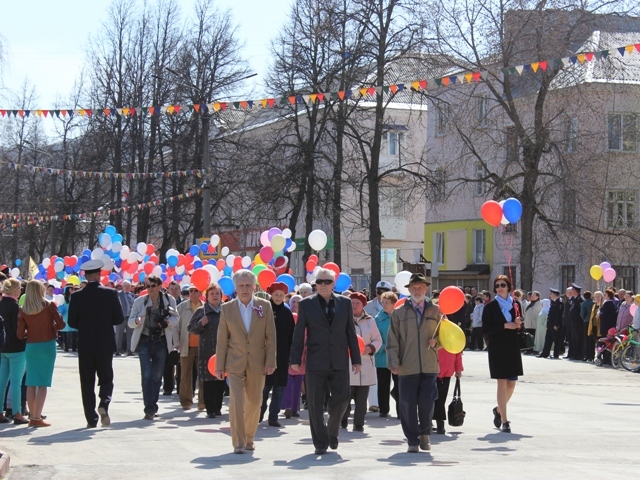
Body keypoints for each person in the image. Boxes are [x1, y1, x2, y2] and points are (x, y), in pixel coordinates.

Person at [290, 268, 361, 455]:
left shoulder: (345, 303)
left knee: (342, 399)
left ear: (333, 284)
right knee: (314, 403)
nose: (323, 285)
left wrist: (356, 358)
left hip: (339, 359)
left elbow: (350, 333)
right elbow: (299, 333)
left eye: (327, 282)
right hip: (316, 360)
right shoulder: (306, 304)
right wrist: (295, 359)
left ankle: (332, 431)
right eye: (319, 282)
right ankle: (320, 443)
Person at [215, 270, 276, 454]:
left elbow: (271, 336)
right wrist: (219, 365)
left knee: (255, 401)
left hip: (257, 362)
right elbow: (222, 339)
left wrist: (271, 361)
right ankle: (238, 442)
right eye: (241, 285)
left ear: (254, 287)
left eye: (248, 285)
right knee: (236, 401)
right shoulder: (227, 308)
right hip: (234, 362)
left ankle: (250, 437)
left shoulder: (264, 306)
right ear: (235, 288)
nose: (244, 289)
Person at [387, 273, 442, 453]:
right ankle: (412, 439)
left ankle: (425, 434)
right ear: (408, 290)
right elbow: (392, 340)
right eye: (414, 287)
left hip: (429, 365)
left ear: (425, 289)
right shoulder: (399, 312)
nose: (417, 290)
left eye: (421, 287)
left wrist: (438, 344)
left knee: (427, 402)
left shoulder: (436, 311)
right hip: (406, 366)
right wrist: (393, 362)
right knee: (407, 404)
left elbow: (446, 336)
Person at [67, 259, 125, 427]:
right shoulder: (110, 293)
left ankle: (91, 418)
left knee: (87, 381)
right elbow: (119, 318)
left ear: (86, 275)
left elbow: (72, 321)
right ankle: (104, 403)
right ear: (99, 275)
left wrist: (85, 325)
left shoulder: (77, 296)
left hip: (86, 343)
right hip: (105, 342)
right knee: (106, 377)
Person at [128, 275, 179, 420]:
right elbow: (130, 322)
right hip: (144, 341)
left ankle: (153, 405)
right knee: (146, 375)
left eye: (152, 286)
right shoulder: (140, 301)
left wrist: (167, 322)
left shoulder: (169, 300)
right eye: (148, 286)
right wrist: (137, 321)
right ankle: (148, 408)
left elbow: (176, 319)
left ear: (159, 286)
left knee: (157, 376)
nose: (149, 289)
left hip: (161, 341)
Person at [17, 280, 66, 427]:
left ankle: (32, 417)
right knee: (43, 383)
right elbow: (61, 324)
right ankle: (37, 418)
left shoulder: (23, 309)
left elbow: (19, 334)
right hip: (47, 344)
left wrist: (29, 333)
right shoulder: (49, 305)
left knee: (31, 382)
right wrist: (52, 328)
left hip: (31, 345)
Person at [482, 274, 523, 433]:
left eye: (502, 285)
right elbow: (486, 329)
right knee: (502, 382)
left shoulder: (515, 304)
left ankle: (499, 410)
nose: (499, 288)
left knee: (512, 383)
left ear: (508, 287)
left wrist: (518, 324)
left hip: (512, 346)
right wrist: (505, 326)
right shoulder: (490, 307)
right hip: (497, 347)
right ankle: (505, 421)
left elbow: (520, 326)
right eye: (497, 285)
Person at [340, 291, 382, 432]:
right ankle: (343, 420)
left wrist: (370, 348)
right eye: (352, 303)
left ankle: (359, 424)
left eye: (357, 303)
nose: (354, 305)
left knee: (362, 399)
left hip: (365, 363)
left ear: (363, 305)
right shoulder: (343, 319)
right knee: (345, 396)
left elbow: (378, 339)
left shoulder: (370, 320)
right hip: (348, 363)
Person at [260, 282, 295, 427]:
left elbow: (291, 335)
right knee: (264, 388)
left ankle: (273, 417)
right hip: (265, 355)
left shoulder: (287, 313)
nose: (279, 297)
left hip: (282, 355)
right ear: (271, 295)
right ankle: (258, 413)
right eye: (276, 295)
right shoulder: (263, 310)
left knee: (279, 388)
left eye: (281, 295)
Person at [188, 283, 226, 418]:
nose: (215, 296)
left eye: (217, 294)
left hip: (223, 349)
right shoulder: (202, 311)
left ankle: (218, 407)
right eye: (212, 294)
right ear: (207, 297)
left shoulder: (226, 310)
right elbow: (191, 328)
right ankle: (210, 409)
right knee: (209, 381)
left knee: (221, 379)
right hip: (207, 350)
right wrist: (200, 324)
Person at [0, 278, 29, 425]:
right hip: (17, 348)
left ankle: (0, 412)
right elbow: (18, 329)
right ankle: (17, 413)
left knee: (2, 382)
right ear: (16, 290)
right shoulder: (16, 307)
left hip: (2, 347)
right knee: (16, 382)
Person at [364, 280, 391, 413]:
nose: (381, 295)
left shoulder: (396, 308)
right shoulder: (368, 307)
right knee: (379, 380)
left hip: (394, 351)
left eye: (384, 292)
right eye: (379, 292)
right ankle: (377, 405)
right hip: (377, 350)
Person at [175, 285, 204, 410]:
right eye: (190, 291)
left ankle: (203, 401)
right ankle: (186, 401)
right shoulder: (181, 307)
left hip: (203, 346)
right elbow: (175, 327)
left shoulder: (205, 307)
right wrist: (176, 342)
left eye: (195, 290)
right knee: (185, 374)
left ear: (200, 292)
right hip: (186, 345)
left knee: (203, 375)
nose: (192, 293)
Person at [374, 291, 399, 418]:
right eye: (382, 302)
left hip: (397, 356)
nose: (384, 304)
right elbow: (375, 336)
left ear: (394, 303)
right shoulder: (377, 318)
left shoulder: (399, 316)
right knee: (383, 385)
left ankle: (401, 410)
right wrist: (383, 346)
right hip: (382, 356)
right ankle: (383, 409)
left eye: (387, 302)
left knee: (399, 384)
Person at [433, 347, 463, 435]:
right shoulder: (432, 333)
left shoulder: (453, 334)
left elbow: (457, 350)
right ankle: (437, 421)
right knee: (434, 399)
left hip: (446, 370)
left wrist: (458, 368)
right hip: (433, 369)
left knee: (441, 399)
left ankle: (439, 422)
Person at [163, 281, 182, 396]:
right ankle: (168, 387)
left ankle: (180, 386)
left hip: (181, 336)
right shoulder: (165, 303)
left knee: (180, 363)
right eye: (172, 289)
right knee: (168, 363)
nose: (174, 291)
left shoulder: (184, 304)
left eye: (176, 289)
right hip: (168, 335)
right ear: (168, 290)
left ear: (180, 290)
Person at [538, 288, 564, 359]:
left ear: (554, 295)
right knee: (548, 340)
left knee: (556, 341)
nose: (550, 295)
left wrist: (556, 324)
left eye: (551, 294)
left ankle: (556, 354)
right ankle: (545, 353)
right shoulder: (553, 302)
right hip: (550, 324)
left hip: (555, 325)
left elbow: (559, 314)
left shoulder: (559, 302)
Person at [116, 280, 135, 356]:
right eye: (125, 286)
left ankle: (129, 350)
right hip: (121, 317)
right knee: (119, 334)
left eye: (128, 286)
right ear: (122, 286)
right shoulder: (118, 294)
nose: (127, 287)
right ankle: (118, 350)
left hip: (130, 317)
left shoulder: (132, 295)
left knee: (130, 334)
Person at [58, 285, 78, 352]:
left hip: (72, 314)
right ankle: (65, 346)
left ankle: (74, 347)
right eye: (70, 289)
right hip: (65, 315)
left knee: (73, 331)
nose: (72, 290)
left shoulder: (74, 297)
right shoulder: (63, 298)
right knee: (65, 331)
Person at [567, 283, 584, 360]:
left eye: (573, 290)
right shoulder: (573, 299)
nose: (571, 291)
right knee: (573, 339)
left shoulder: (580, 300)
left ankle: (579, 354)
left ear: (576, 291)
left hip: (578, 323)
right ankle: (574, 353)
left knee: (578, 339)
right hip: (573, 323)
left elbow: (580, 312)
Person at [586, 291, 603, 362]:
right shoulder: (594, 305)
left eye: (598, 296)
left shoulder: (603, 305)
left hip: (600, 326)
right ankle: (591, 357)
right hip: (593, 326)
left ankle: (599, 356)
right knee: (592, 342)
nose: (597, 298)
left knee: (600, 342)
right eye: (595, 297)